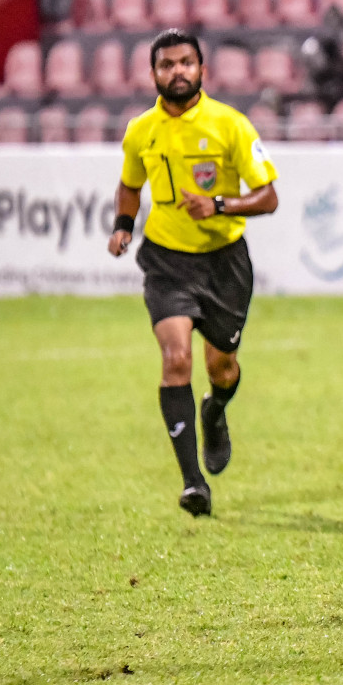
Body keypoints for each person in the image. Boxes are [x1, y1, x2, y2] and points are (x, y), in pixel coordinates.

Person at [108, 29, 279, 518]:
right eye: (167, 64)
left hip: (225, 261)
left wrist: (219, 203)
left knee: (221, 366)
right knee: (176, 357)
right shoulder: (141, 129)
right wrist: (123, 227)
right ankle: (192, 483)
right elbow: (128, 185)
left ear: (202, 69)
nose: (176, 71)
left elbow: (268, 196)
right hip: (166, 261)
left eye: (186, 63)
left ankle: (215, 409)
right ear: (153, 73)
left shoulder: (231, 124)